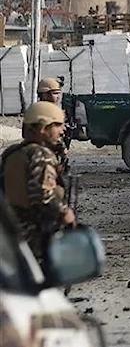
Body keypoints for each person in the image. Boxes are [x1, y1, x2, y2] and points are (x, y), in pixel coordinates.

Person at [1, 101, 76, 267]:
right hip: (33, 234)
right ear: (43, 128)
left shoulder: (12, 153)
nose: (62, 130)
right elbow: (41, 194)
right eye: (57, 125)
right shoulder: (40, 154)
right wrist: (65, 213)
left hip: (10, 230)